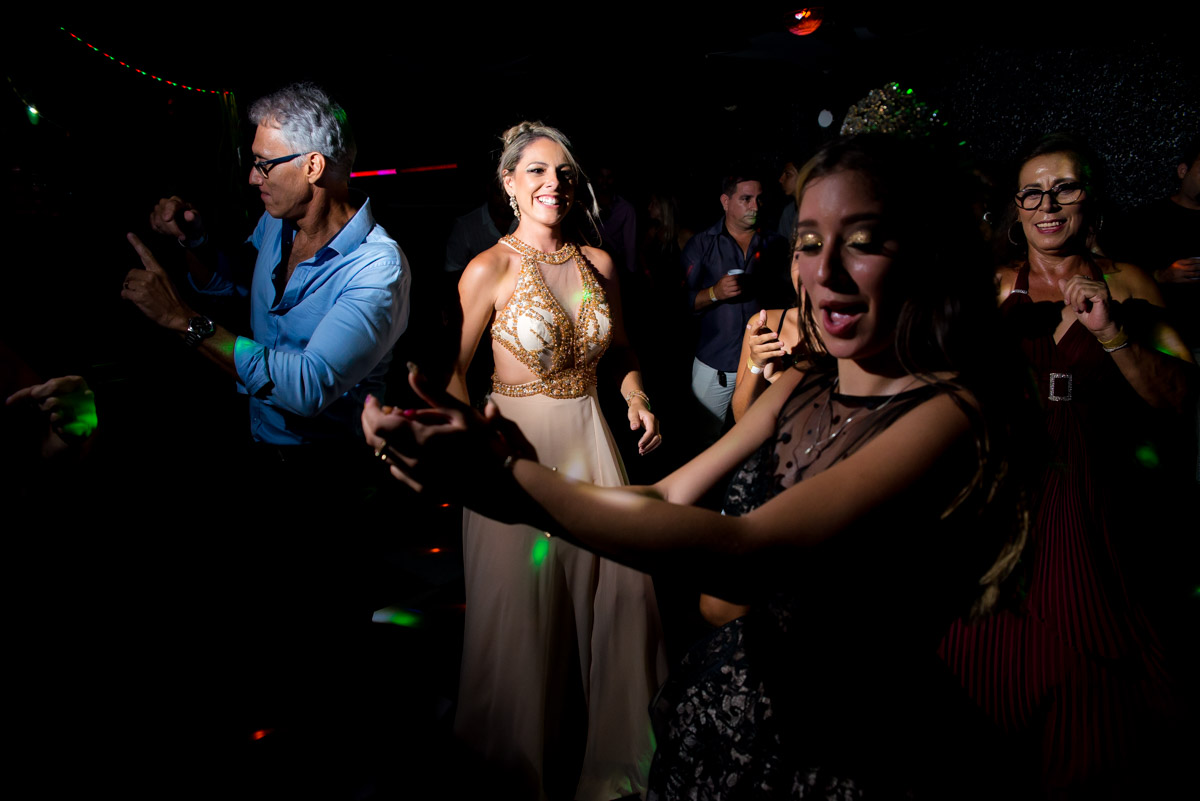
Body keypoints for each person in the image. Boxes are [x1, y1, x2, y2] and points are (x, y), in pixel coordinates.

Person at [366, 134, 1032, 799]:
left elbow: (751, 550)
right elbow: (666, 494)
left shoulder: (948, 412)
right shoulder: (801, 380)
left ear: (924, 250)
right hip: (748, 695)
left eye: (862, 240)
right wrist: (499, 469)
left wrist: (509, 481)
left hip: (850, 737)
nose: (823, 271)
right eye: (807, 241)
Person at [939, 132, 1197, 798]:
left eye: (1065, 187)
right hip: (1008, 496)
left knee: (1100, 674)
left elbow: (1179, 401)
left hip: (1097, 494)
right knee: (987, 658)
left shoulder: (1131, 282)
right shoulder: (986, 287)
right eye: (1033, 191)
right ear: (1015, 208)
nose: (1048, 203)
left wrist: (1113, 335)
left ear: (1090, 198)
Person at [444, 121, 666, 801]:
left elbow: (622, 348)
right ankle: (523, 769)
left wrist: (636, 393)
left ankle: (614, 761)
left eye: (564, 172)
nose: (554, 184)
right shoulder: (489, 268)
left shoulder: (598, 263)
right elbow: (453, 372)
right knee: (528, 614)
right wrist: (471, 442)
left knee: (619, 598)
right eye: (536, 171)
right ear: (508, 184)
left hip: (592, 440)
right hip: (519, 447)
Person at [122, 82, 411, 449]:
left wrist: (183, 320)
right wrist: (195, 241)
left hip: (331, 466)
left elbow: (308, 387)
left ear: (312, 166)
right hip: (257, 436)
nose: (253, 177)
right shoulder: (278, 220)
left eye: (264, 164)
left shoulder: (377, 268)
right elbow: (232, 282)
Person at [683, 173, 790, 446]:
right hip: (715, 364)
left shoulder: (774, 244)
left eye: (759, 199)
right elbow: (677, 302)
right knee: (706, 439)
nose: (755, 206)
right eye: (746, 199)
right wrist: (714, 293)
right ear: (725, 201)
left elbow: (787, 297)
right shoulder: (702, 244)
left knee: (756, 437)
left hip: (762, 363)